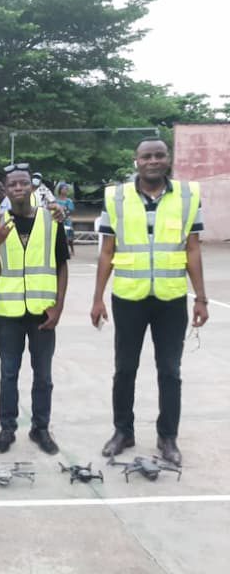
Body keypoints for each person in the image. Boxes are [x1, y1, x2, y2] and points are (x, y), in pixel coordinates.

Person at [91, 138, 208, 467]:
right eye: (147, 156)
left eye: (159, 155)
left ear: (167, 159)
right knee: (125, 368)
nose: (153, 161)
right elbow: (107, 251)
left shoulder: (187, 196)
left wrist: (200, 297)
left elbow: (193, 249)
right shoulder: (116, 197)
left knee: (170, 371)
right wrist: (97, 297)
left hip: (171, 299)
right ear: (136, 161)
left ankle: (167, 437)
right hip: (128, 297)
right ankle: (122, 432)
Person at [0, 164, 69, 455]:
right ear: (6, 190)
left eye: (23, 184)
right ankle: (7, 429)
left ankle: (40, 429)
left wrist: (58, 307)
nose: (19, 188)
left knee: (43, 376)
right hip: (9, 314)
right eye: (13, 185)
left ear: (31, 188)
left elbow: (61, 265)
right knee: (8, 374)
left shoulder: (51, 220)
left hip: (42, 313)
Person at [55, 182, 76, 256]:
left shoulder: (68, 201)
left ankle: (72, 249)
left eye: (66, 189)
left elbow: (70, 210)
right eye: (63, 189)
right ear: (60, 190)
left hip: (66, 219)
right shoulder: (56, 200)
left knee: (69, 236)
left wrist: (65, 215)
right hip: (58, 219)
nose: (65, 191)